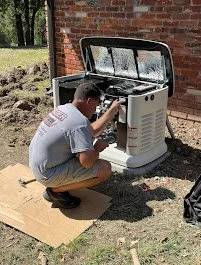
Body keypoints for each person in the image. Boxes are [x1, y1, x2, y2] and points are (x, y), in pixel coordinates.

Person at [29, 82, 121, 209]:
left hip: (38, 166)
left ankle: (57, 185)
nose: (96, 109)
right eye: (96, 105)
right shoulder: (79, 123)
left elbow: (92, 131)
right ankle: (56, 190)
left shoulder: (64, 109)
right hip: (48, 174)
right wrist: (98, 147)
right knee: (104, 169)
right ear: (89, 101)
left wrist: (111, 111)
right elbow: (87, 163)